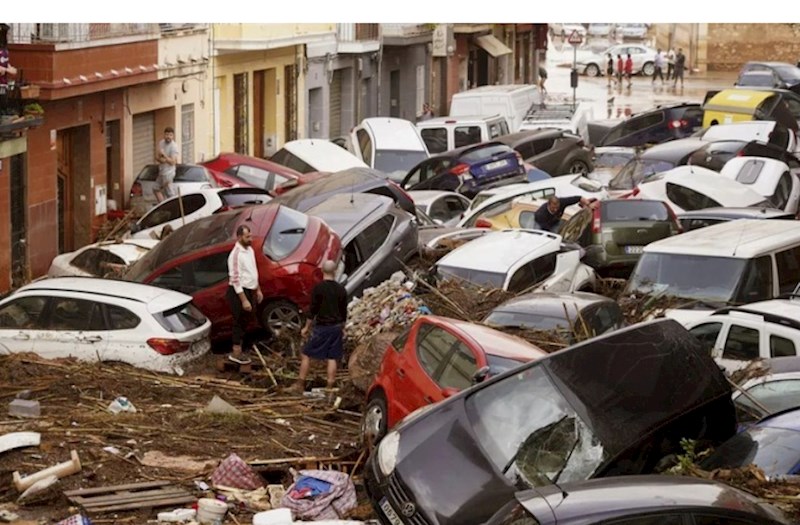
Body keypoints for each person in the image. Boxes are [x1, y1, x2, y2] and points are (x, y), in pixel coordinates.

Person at [288, 260, 348, 394]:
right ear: (335, 271)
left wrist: (306, 327)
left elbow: (313, 310)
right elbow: (344, 312)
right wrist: (342, 328)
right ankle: (330, 387)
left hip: (322, 328)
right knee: (332, 357)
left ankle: (300, 384)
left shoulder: (318, 288)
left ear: (322, 271)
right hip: (336, 327)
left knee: (306, 353)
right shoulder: (341, 290)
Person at [226, 225, 263, 365]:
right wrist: (244, 300)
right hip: (239, 293)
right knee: (239, 321)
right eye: (247, 237)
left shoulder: (250, 250)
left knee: (248, 319)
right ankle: (236, 352)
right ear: (240, 237)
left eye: (250, 236)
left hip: (250, 289)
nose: (250, 239)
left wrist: (258, 289)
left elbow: (253, 271)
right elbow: (235, 279)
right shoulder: (236, 255)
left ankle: (244, 348)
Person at [534, 195, 599, 233]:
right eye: (553, 208)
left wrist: (588, 204)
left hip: (555, 221)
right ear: (548, 205)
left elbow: (578, 198)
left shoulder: (563, 202)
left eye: (557, 207)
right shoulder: (541, 214)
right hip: (541, 225)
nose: (555, 210)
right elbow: (546, 230)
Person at [154, 126, 179, 203]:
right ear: (164, 135)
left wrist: (164, 155)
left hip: (168, 173)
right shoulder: (161, 143)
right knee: (155, 188)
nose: (168, 137)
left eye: (170, 135)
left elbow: (173, 162)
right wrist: (160, 159)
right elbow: (157, 157)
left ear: (173, 136)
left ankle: (173, 207)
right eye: (167, 134)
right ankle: (162, 205)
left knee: (169, 193)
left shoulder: (174, 146)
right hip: (161, 171)